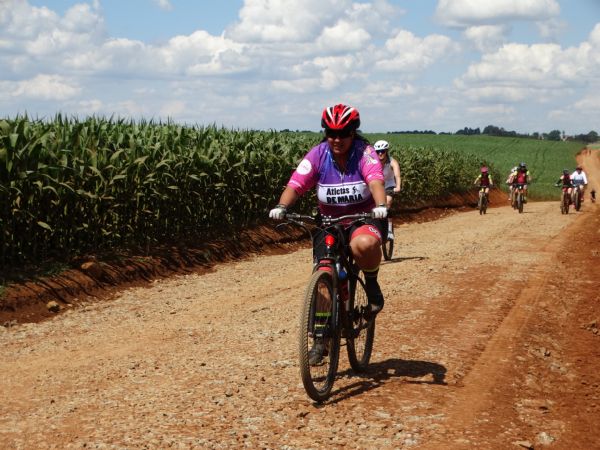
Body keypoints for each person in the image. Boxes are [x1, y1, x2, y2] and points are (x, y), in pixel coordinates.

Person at [269, 104, 387, 365]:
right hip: (329, 222)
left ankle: (372, 284)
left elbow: (375, 181)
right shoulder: (318, 154)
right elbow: (296, 184)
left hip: (361, 218)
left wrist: (380, 205)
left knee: (364, 244)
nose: (336, 139)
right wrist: (281, 206)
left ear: (353, 133)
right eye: (331, 133)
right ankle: (320, 339)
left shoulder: (365, 153)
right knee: (324, 275)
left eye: (343, 133)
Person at [373, 139, 401, 241]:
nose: (380, 154)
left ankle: (389, 230)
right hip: (377, 185)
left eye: (382, 151)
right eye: (378, 152)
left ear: (386, 151)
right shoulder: (373, 162)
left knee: (388, 202)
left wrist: (398, 186)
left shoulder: (392, 162)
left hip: (389, 184)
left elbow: (397, 176)